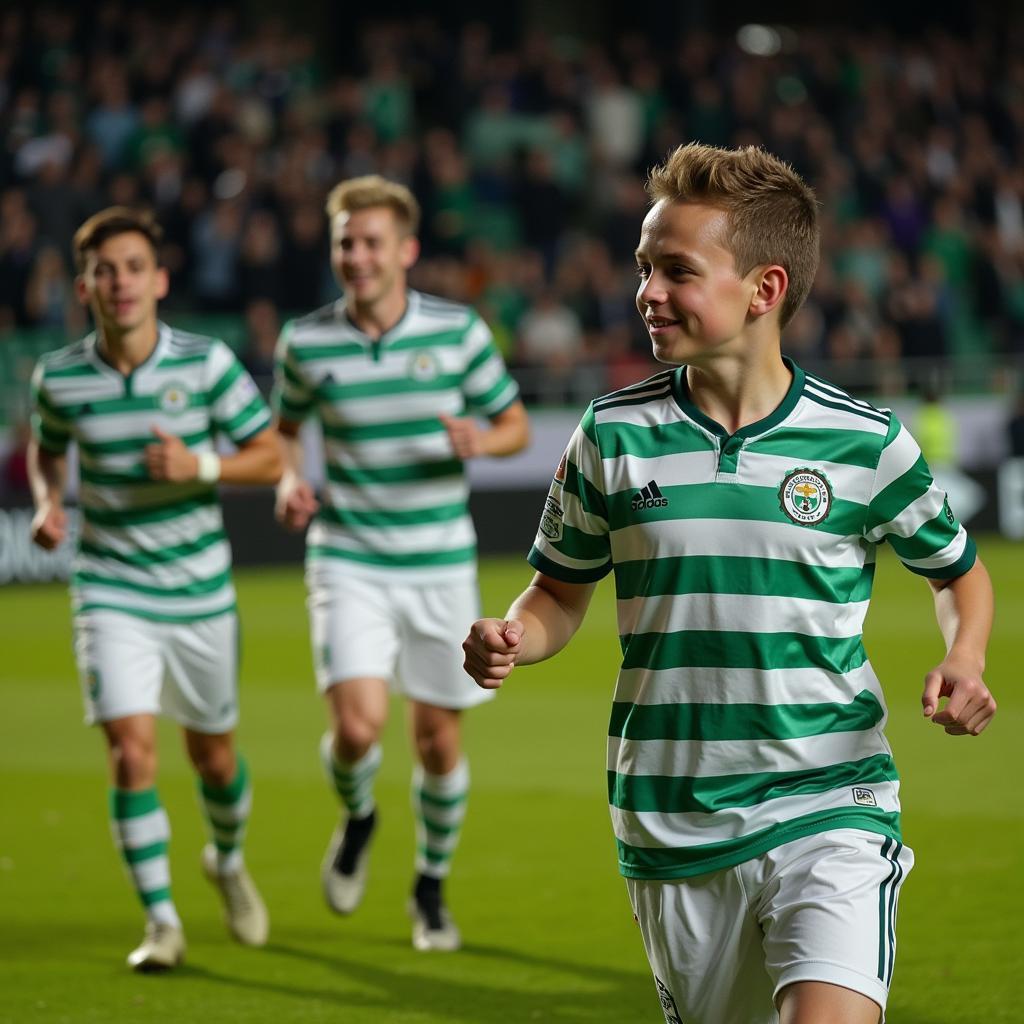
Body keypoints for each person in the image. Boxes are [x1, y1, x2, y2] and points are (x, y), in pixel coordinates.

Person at [463, 143, 997, 1024]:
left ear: (765, 288)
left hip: (830, 798)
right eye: (644, 268)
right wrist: (513, 635)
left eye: (677, 270)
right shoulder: (610, 433)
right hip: (671, 815)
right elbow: (558, 593)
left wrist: (966, 657)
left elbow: (959, 572)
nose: (648, 291)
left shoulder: (864, 441)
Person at [273, 175, 530, 952]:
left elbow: (514, 423)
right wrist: (290, 476)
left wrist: (481, 441)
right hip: (348, 556)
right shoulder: (305, 341)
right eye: (345, 242)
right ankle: (357, 816)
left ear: (406, 251)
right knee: (357, 728)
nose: (356, 256)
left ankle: (429, 888)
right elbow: (285, 429)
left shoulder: (456, 333)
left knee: (437, 744)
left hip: (439, 564)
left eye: (371, 242)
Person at [28, 207, 283, 972]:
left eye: (135, 266)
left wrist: (199, 467)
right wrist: (47, 501)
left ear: (160, 279)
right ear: (85, 287)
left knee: (213, 758)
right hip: (110, 588)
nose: (122, 282)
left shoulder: (204, 364)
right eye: (106, 270)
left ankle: (227, 860)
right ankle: (162, 921)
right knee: (131, 753)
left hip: (199, 590)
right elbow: (44, 454)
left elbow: (270, 457)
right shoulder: (60, 377)